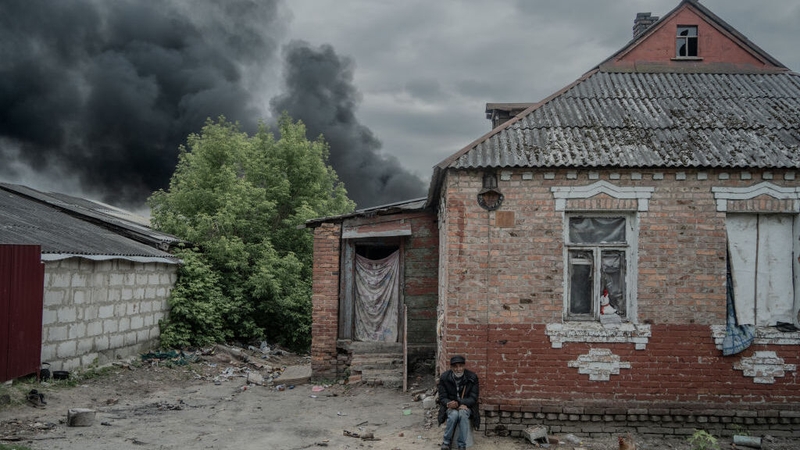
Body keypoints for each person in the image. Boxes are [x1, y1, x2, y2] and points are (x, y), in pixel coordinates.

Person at [437, 355, 479, 450]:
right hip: (450, 407)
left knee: (462, 414)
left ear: (464, 366)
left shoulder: (472, 377)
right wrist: (448, 403)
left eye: (460, 366)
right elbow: (442, 397)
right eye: (455, 366)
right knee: (454, 415)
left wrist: (461, 403)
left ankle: (461, 445)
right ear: (451, 367)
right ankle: (446, 443)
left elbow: (473, 397)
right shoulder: (444, 377)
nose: (458, 369)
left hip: (467, 406)